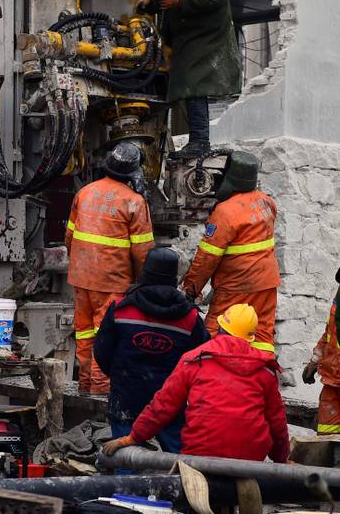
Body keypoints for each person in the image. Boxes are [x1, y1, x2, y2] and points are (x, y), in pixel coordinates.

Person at [102, 303, 289, 463]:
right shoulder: (265, 369)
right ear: (251, 336)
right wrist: (282, 460)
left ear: (221, 326)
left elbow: (163, 405)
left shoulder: (195, 359)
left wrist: (133, 438)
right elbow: (277, 423)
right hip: (251, 460)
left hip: (200, 454)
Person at [136, 0, 241, 159]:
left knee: (194, 83)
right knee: (183, 83)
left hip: (208, 32)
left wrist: (180, 1)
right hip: (184, 32)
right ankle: (197, 139)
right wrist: (151, 0)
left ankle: (200, 141)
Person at [94, 247, 209, 453]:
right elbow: (202, 360)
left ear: (145, 272)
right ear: (174, 277)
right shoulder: (190, 318)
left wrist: (121, 377)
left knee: (123, 460)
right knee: (179, 466)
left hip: (126, 399)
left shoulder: (121, 309)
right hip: (170, 403)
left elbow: (101, 351)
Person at [66, 142, 154, 394]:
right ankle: (100, 393)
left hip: (81, 277)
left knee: (84, 334)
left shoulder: (85, 193)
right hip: (112, 280)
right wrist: (141, 282)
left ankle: (85, 385)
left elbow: (69, 237)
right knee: (106, 336)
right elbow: (143, 252)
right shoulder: (135, 202)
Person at [182, 151, 280, 353]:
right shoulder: (266, 202)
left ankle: (213, 378)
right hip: (267, 283)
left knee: (216, 334)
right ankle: (261, 376)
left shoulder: (225, 212)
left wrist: (191, 289)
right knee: (261, 334)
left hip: (236, 285)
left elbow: (206, 258)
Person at [302, 268, 340, 434]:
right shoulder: (338, 300)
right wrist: (314, 360)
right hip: (333, 381)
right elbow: (329, 333)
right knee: (326, 434)